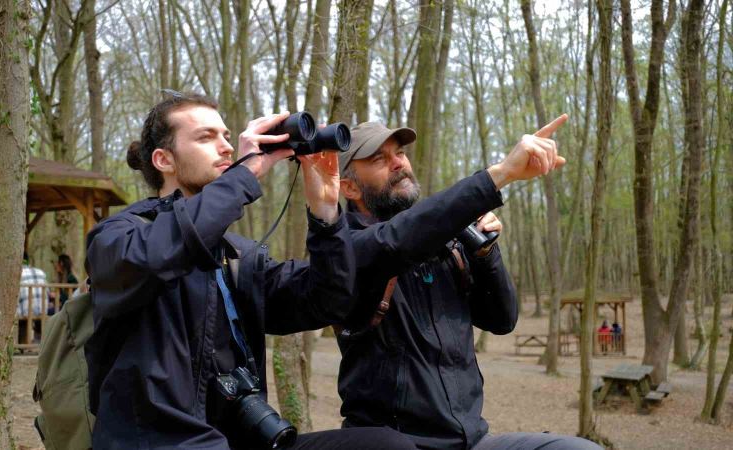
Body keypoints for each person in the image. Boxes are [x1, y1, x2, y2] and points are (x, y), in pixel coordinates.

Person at [84, 92, 415, 450]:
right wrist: (245, 174)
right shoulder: (118, 236)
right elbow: (158, 255)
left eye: (226, 136)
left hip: (237, 440)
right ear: (164, 159)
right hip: (160, 443)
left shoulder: (236, 257)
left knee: (384, 444)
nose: (226, 148)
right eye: (205, 137)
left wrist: (325, 215)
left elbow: (328, 300)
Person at [336, 119, 602, 449]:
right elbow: (395, 241)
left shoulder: (445, 240)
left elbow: (502, 321)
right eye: (379, 159)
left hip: (471, 441)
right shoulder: (344, 249)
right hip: (393, 443)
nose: (398, 163)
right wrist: (501, 173)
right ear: (349, 187)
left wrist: (485, 252)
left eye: (400, 152)